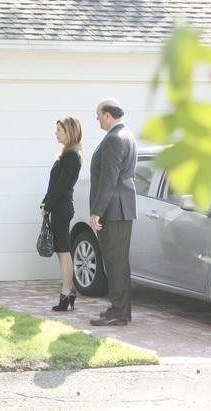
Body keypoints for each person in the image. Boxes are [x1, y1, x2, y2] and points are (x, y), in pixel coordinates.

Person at [89, 98, 137, 326]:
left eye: (98, 115)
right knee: (119, 261)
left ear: (108, 115)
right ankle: (120, 310)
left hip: (114, 209)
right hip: (121, 207)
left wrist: (97, 212)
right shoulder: (127, 133)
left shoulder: (114, 139)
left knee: (115, 261)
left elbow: (109, 180)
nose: (97, 119)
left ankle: (119, 312)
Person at [41, 116, 84, 311]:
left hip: (62, 207)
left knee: (64, 251)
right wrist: (46, 202)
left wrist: (48, 205)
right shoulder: (67, 154)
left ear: (70, 131)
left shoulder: (72, 155)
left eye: (59, 129)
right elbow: (55, 185)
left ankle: (66, 294)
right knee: (61, 250)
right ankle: (69, 291)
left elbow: (62, 185)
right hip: (59, 206)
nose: (56, 133)